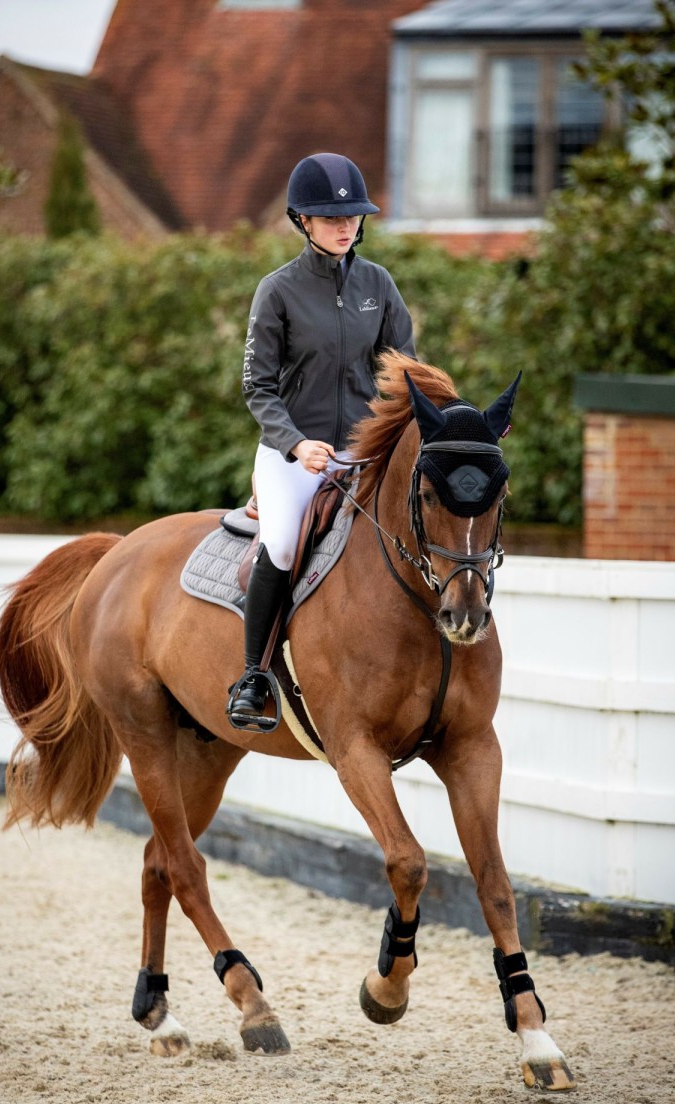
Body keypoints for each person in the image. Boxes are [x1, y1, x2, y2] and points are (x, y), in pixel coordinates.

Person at [227, 152, 416, 731]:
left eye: (354, 216)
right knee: (283, 545)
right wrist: (294, 444)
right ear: (301, 221)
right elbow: (257, 386)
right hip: (294, 457)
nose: (345, 226)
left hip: (364, 453)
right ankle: (253, 675)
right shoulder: (277, 291)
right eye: (329, 217)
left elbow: (408, 372)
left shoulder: (378, 285)